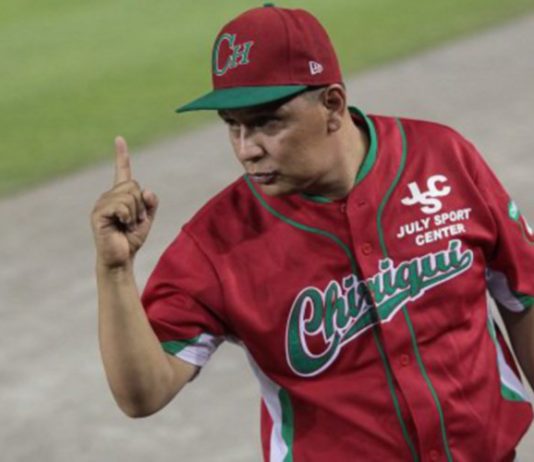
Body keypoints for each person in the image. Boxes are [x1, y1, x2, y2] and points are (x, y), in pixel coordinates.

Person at [91, 4, 534, 461]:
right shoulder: (218, 240)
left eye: (266, 122)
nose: (246, 149)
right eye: (232, 125)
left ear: (332, 105)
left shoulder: (441, 157)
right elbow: (143, 395)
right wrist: (115, 270)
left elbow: (524, 292)